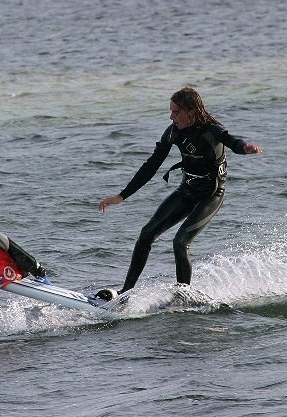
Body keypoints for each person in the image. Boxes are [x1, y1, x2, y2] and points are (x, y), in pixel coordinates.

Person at [97, 87, 262, 298]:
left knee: (180, 242)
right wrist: (122, 196)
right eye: (171, 111)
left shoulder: (212, 130)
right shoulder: (173, 132)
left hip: (211, 194)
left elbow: (233, 142)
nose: (171, 116)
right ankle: (125, 292)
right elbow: (151, 165)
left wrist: (246, 148)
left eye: (176, 112)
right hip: (187, 190)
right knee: (146, 233)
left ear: (191, 111)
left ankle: (182, 297)